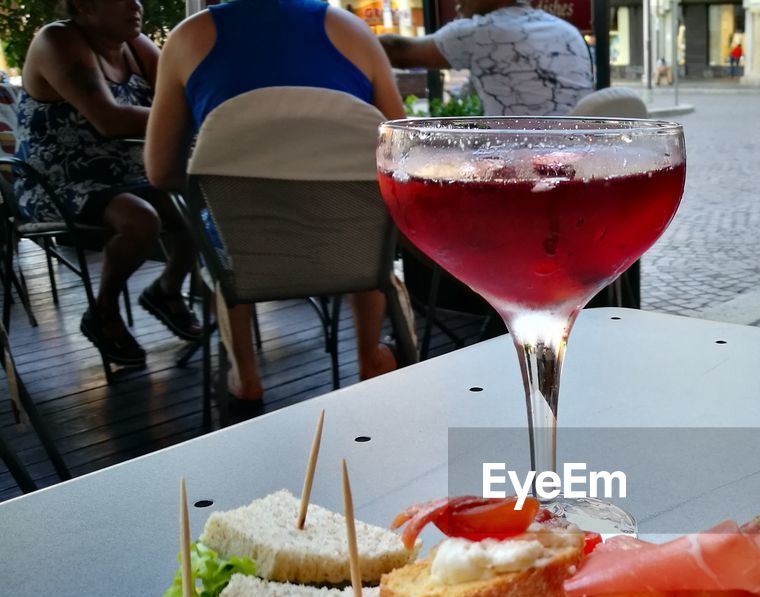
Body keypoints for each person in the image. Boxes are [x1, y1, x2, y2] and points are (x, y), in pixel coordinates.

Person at [145, 0, 403, 415]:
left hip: (247, 253)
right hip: (354, 250)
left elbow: (159, 171)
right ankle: (371, 357)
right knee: (364, 217)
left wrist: (229, 176)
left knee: (224, 221)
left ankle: (244, 377)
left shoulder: (187, 39)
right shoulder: (353, 33)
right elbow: (400, 149)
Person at [17, 0, 200, 369]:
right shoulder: (57, 41)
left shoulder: (136, 45)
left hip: (129, 177)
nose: (136, 4)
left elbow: (184, 97)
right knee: (141, 220)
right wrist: (188, 117)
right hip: (57, 183)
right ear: (84, 5)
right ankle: (103, 313)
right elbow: (109, 119)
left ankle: (165, 290)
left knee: (200, 204)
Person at [380, 0, 593, 116]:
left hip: (520, 170)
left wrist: (352, 38)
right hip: (580, 163)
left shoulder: (479, 32)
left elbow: (397, 52)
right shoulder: (569, 31)